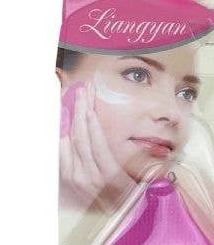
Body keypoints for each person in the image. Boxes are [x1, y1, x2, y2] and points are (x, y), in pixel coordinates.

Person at [56, 46, 199, 211]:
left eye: (187, 94)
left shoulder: (202, 209)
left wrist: (126, 207)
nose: (173, 113)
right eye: (137, 75)